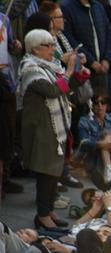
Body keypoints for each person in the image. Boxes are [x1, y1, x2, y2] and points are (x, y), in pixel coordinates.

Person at [17, 29, 85, 230]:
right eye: (49, 46)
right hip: (41, 128)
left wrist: (80, 74)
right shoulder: (30, 68)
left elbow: (67, 88)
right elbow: (54, 90)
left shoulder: (50, 66)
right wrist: (70, 70)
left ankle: (48, 211)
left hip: (54, 126)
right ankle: (42, 215)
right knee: (46, 172)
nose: (53, 50)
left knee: (54, 171)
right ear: (36, 49)